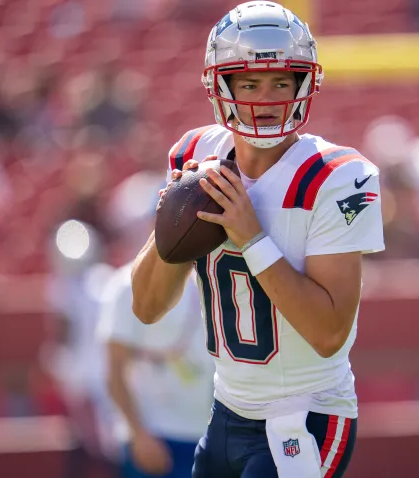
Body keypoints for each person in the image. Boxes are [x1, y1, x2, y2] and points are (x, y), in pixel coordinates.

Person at [130, 2, 385, 477]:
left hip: (305, 418)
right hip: (226, 410)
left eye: (280, 82)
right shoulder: (195, 155)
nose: (265, 98)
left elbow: (329, 333)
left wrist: (252, 238)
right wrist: (174, 221)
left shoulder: (337, 177)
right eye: (248, 83)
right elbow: (146, 307)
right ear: (219, 86)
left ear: (303, 84)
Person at [99, 171, 215, 478]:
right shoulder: (124, 285)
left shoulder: (209, 279)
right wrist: (138, 433)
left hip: (206, 435)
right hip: (156, 435)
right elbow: (114, 371)